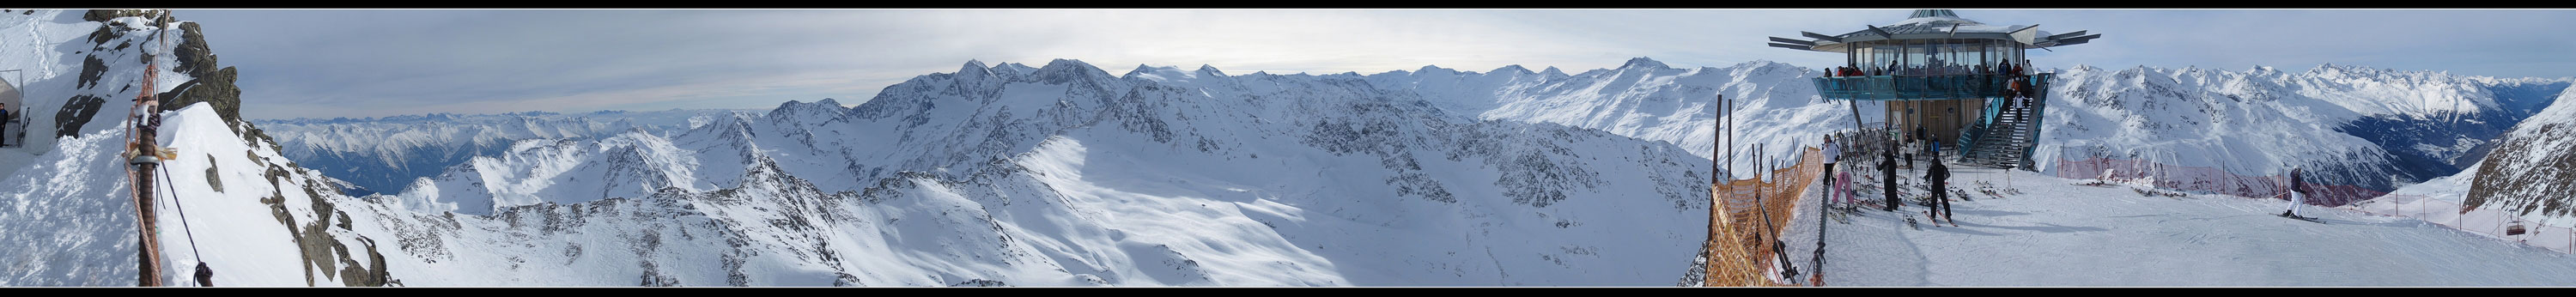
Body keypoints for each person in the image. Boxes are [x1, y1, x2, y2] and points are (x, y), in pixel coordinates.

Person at [1928, 159, 1954, 226]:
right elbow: (1948, 175)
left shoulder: (1932, 167)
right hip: (1941, 186)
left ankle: (1933, 216)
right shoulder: (1943, 167)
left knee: (1934, 201)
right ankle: (1948, 215)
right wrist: (1943, 178)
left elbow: (1928, 176)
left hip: (1934, 186)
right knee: (1945, 200)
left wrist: (1927, 178)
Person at [1880, 148, 1900, 212]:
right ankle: (1895, 205)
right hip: (1893, 178)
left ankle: (1889, 207)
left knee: (1888, 193)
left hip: (1887, 178)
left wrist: (1877, 164)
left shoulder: (1886, 162)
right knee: (1894, 191)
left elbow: (1879, 168)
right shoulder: (1893, 161)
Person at [1822, 136, 1840, 207]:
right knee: (1827, 174)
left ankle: (1834, 184)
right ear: (1824, 140)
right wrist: (1826, 148)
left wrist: (1838, 156)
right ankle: (1826, 184)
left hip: (1833, 162)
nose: (1827, 140)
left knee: (1833, 174)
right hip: (1826, 162)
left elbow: (1838, 151)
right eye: (1825, 139)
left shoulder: (1834, 145)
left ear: (1829, 139)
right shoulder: (1823, 145)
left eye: (1828, 138)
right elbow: (1822, 153)